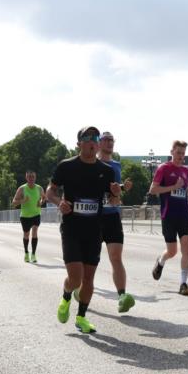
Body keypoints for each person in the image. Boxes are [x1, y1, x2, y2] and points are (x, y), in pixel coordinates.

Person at [46, 126, 120, 334]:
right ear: (79, 144)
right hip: (71, 229)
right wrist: (58, 202)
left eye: (95, 138)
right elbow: (50, 191)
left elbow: (114, 201)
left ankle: (81, 318)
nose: (93, 141)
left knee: (88, 279)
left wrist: (115, 194)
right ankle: (66, 295)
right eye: (88, 138)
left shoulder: (106, 171)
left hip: (94, 230)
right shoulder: (67, 167)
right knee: (76, 278)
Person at [149, 141, 188, 296]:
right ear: (172, 152)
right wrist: (173, 188)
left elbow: (183, 191)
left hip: (184, 213)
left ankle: (183, 284)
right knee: (172, 251)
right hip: (168, 215)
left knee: (186, 246)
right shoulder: (163, 168)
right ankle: (161, 261)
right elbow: (153, 189)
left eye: (183, 153)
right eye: (178, 153)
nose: (181, 156)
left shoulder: (186, 171)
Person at [97, 131, 136, 313]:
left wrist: (121, 191)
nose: (109, 142)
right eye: (105, 140)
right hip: (93, 218)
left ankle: (122, 296)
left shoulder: (116, 165)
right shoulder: (91, 164)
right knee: (89, 260)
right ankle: (79, 288)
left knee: (116, 257)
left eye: (111, 140)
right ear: (98, 144)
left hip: (112, 216)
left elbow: (115, 191)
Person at [12, 170, 44, 263]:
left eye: (33, 177)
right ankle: (26, 253)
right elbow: (13, 203)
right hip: (25, 216)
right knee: (26, 234)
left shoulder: (39, 188)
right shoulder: (22, 188)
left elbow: (44, 197)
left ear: (35, 177)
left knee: (34, 232)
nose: (31, 178)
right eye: (29, 177)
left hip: (36, 214)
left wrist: (41, 202)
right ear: (26, 178)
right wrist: (23, 200)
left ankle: (33, 254)